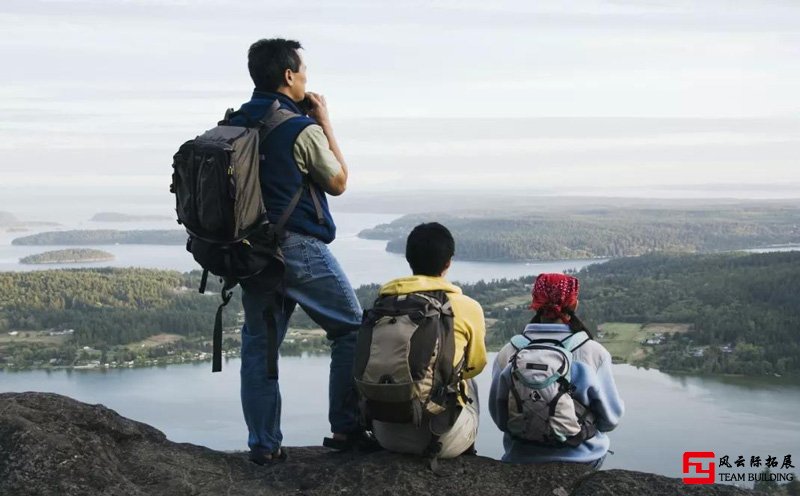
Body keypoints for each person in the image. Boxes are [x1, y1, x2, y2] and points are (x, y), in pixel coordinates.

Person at [233, 38, 364, 464]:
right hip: (297, 247)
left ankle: (264, 446)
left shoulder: (235, 123)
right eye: (303, 72)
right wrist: (324, 121)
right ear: (289, 76)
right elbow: (339, 181)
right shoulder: (299, 127)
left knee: (259, 349)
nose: (307, 79)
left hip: (252, 253)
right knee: (351, 329)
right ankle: (346, 428)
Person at [369, 222, 488, 458]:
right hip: (442, 438)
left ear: (409, 260)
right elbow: (476, 366)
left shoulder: (384, 304)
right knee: (469, 383)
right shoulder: (466, 307)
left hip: (385, 433)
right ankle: (467, 452)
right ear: (448, 262)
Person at [489, 273, 624, 468]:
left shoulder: (509, 352)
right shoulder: (592, 352)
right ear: (574, 304)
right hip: (582, 459)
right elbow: (610, 420)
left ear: (535, 303)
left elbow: (501, 419)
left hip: (521, 458)